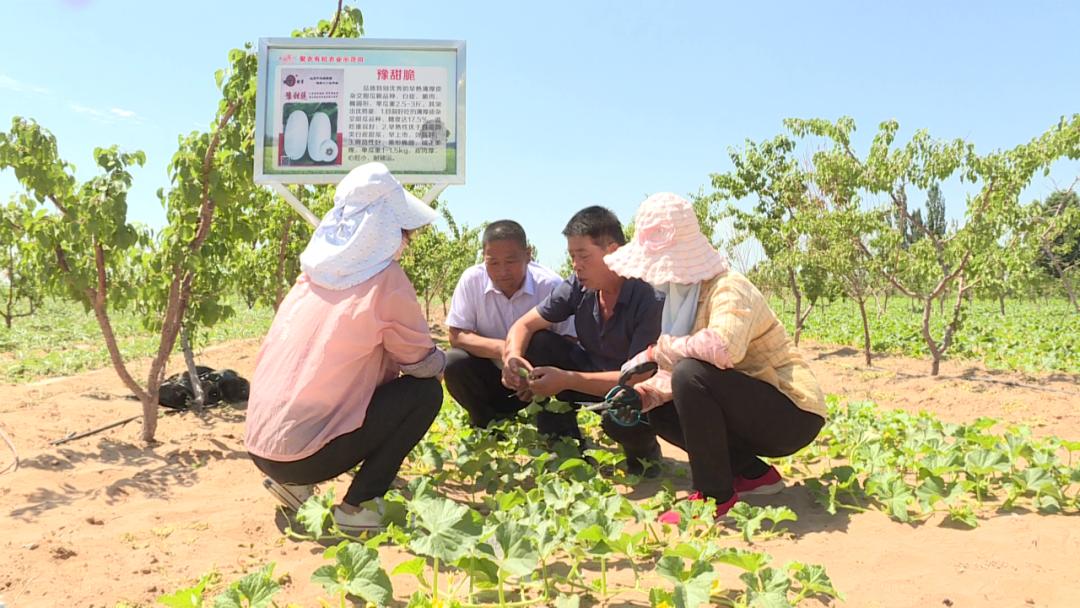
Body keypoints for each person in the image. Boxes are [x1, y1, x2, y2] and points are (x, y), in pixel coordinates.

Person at [244, 162, 446, 534]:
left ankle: (294, 486)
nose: (406, 242)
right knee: (425, 393)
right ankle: (358, 508)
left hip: (260, 447)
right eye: (404, 233)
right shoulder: (385, 279)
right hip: (306, 454)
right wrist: (445, 360)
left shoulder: (310, 276)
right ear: (388, 230)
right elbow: (421, 363)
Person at [601, 192, 826, 522]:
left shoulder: (729, 287)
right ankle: (751, 474)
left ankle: (713, 497)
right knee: (662, 407)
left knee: (689, 374)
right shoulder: (683, 299)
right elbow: (676, 372)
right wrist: (645, 397)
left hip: (791, 414)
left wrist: (655, 351)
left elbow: (721, 348)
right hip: (750, 407)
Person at [500, 206, 665, 452]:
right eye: (572, 256)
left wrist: (567, 379)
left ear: (613, 252)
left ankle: (643, 451)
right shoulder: (578, 286)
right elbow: (524, 324)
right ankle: (563, 445)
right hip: (588, 373)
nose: (576, 265)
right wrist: (512, 356)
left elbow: (638, 377)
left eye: (584, 256)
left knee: (621, 409)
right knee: (540, 342)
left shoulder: (649, 298)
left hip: (636, 392)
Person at [443, 220, 575, 429]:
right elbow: (457, 335)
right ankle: (488, 423)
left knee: (543, 341)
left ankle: (557, 429)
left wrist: (535, 378)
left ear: (528, 254)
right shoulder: (471, 281)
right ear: (483, 258)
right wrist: (506, 351)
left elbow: (568, 341)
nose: (502, 271)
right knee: (453, 362)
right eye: (493, 262)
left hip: (539, 381)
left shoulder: (550, 285)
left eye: (511, 261)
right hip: (493, 379)